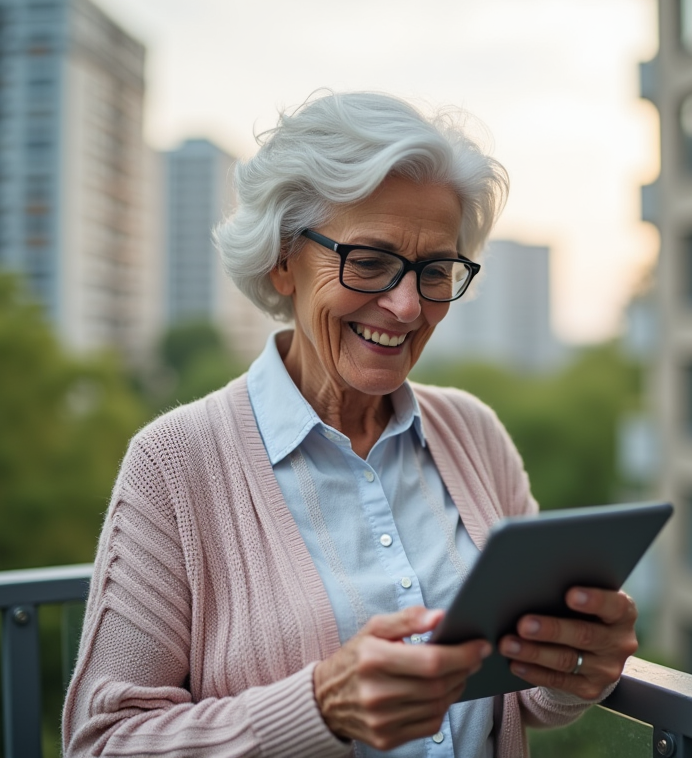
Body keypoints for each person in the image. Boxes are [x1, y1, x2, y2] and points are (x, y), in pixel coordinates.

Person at [63, 91, 640, 757]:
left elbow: (521, 694)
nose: (405, 305)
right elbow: (102, 743)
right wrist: (317, 708)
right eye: (368, 261)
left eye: (434, 271)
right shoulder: (174, 463)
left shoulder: (474, 433)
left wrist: (575, 667)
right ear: (284, 260)